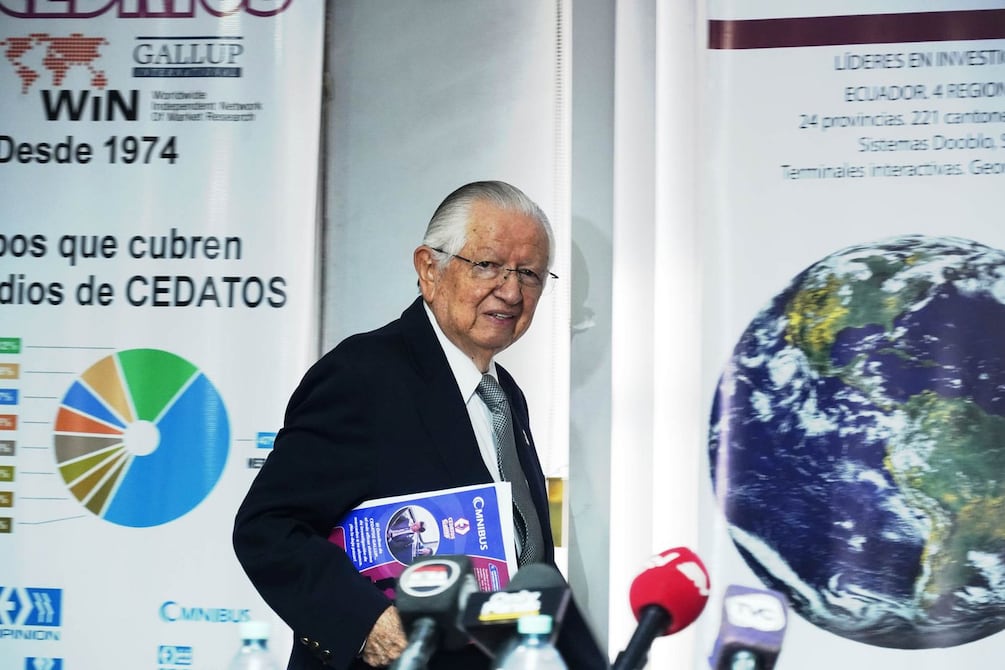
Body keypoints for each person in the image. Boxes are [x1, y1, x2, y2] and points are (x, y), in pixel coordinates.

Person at [232, 181, 607, 670]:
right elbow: (267, 528)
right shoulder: (363, 375)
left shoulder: (505, 395)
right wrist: (366, 624)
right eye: (488, 265)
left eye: (530, 273)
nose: (512, 291)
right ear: (430, 270)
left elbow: (525, 557)